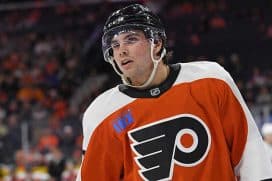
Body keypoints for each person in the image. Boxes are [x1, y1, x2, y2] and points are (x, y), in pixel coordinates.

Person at [77, 3, 272, 181]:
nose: (121, 51)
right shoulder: (102, 113)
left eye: (131, 39)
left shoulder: (211, 80)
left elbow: (250, 153)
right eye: (115, 45)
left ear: (157, 43)